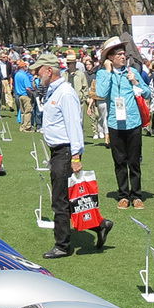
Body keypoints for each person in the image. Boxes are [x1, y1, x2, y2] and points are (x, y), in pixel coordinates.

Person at [37, 58, 110, 258]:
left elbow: (74, 125)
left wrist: (76, 155)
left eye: (39, 70)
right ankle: (99, 225)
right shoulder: (56, 91)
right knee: (70, 197)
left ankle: (62, 245)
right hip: (60, 151)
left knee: (59, 200)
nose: (37, 74)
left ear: (48, 70)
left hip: (65, 151)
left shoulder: (65, 93)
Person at [96, 37, 149, 210]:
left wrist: (135, 81)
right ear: (110, 57)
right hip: (115, 124)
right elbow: (102, 93)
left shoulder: (132, 71)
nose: (123, 56)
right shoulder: (103, 74)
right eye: (118, 54)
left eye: (123, 53)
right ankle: (123, 195)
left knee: (134, 162)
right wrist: (109, 72)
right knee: (119, 162)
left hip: (133, 122)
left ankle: (137, 195)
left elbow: (147, 93)